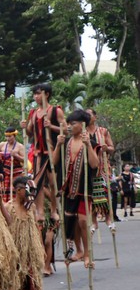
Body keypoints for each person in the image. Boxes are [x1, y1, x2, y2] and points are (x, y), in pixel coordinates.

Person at [52, 109, 99, 268]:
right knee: (71, 221)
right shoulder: (65, 142)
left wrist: (88, 146)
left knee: (84, 220)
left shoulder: (90, 143)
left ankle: (87, 253)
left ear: (82, 124)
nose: (70, 127)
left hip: (83, 189)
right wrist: (58, 145)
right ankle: (78, 250)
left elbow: (94, 164)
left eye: (73, 124)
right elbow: (54, 162)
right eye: (69, 124)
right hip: (67, 189)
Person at [26, 82, 65, 228]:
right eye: (35, 94)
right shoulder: (33, 113)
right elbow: (30, 132)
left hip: (53, 150)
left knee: (53, 181)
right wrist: (26, 127)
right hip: (38, 152)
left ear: (47, 94)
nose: (36, 97)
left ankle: (54, 210)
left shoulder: (56, 111)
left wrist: (52, 126)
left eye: (38, 93)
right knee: (38, 182)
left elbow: (65, 129)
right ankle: (40, 211)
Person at [9, 176, 45, 290]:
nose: (31, 195)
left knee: (32, 276)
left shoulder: (32, 207)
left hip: (30, 248)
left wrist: (40, 246)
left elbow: (35, 228)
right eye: (28, 190)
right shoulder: (8, 207)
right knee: (16, 277)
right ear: (18, 190)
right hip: (15, 249)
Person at [86, 108, 116, 232]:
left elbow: (112, 148)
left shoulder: (103, 131)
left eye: (89, 115)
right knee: (91, 195)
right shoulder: (82, 132)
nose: (87, 117)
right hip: (88, 168)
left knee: (105, 193)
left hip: (103, 167)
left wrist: (106, 148)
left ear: (95, 117)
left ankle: (108, 218)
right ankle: (94, 222)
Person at [0, 128, 26, 201]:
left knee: (14, 190)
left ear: (14, 135)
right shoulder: (2, 144)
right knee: (3, 190)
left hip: (15, 173)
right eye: (6, 136)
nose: (8, 138)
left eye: (10, 136)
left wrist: (16, 155)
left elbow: (25, 160)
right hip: (4, 173)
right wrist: (0, 154)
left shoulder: (20, 146)